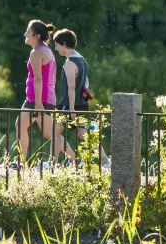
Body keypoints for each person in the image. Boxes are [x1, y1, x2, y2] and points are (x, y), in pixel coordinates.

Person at [16, 19, 68, 163]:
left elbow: (39, 79)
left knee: (50, 133)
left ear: (37, 35)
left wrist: (38, 104)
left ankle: (74, 158)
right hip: (35, 98)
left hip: (40, 99)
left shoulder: (37, 52)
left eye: (28, 31)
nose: (25, 33)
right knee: (21, 125)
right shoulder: (44, 49)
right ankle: (21, 162)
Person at [52, 28, 105, 164]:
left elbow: (71, 88)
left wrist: (71, 109)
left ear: (64, 44)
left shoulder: (69, 63)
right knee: (84, 134)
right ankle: (104, 161)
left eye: (57, 44)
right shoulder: (82, 59)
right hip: (81, 103)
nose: (56, 48)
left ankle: (52, 163)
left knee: (55, 132)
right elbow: (86, 80)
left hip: (68, 104)